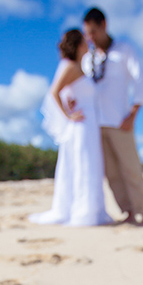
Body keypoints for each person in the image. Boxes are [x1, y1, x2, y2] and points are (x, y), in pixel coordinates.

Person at [30, 28, 112, 227]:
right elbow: (54, 92)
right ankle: (84, 212)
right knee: (83, 165)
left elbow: (69, 93)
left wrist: (70, 103)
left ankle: (93, 210)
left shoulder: (80, 68)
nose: (87, 43)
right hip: (81, 125)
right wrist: (68, 114)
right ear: (78, 45)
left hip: (90, 125)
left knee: (91, 165)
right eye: (84, 41)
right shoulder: (70, 67)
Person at [82, 7, 143, 225]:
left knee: (131, 168)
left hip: (120, 121)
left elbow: (140, 81)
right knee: (111, 173)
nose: (91, 38)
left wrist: (133, 114)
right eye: (87, 34)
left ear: (104, 25)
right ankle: (127, 212)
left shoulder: (124, 50)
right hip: (96, 124)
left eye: (93, 32)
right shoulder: (87, 59)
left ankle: (142, 212)